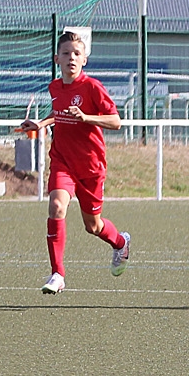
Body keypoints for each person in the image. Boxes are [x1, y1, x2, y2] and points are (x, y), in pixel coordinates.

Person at [17, 32, 131, 295]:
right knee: (56, 206)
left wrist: (87, 118)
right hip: (62, 161)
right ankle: (58, 274)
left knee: (93, 226)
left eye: (77, 54)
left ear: (85, 60)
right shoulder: (55, 87)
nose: (72, 58)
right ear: (57, 58)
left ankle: (120, 242)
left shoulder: (92, 88)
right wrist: (41, 123)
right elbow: (59, 113)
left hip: (90, 166)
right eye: (66, 53)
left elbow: (116, 121)